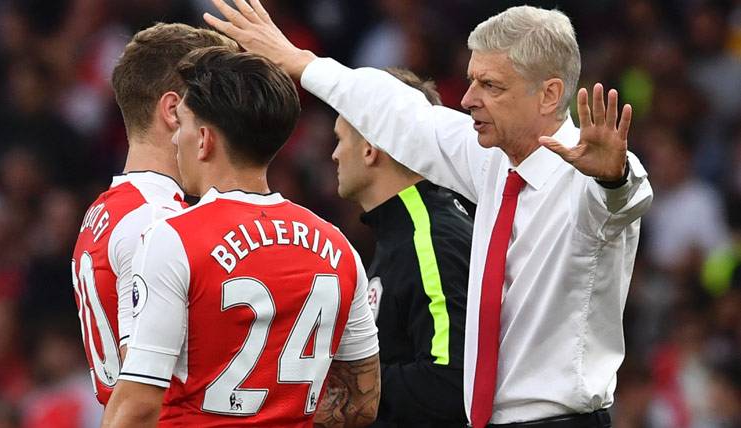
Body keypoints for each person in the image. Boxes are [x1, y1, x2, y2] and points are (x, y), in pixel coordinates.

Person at [204, 1, 654, 427]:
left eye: (491, 85)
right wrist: (302, 62)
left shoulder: (588, 180)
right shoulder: (493, 160)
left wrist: (614, 176)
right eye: (472, 80)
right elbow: (403, 113)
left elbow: (624, 199)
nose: (469, 98)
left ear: (549, 94)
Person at [101, 47, 380, 428]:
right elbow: (361, 402)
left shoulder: (173, 238)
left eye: (181, 124)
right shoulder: (338, 247)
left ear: (204, 139)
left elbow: (138, 405)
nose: (174, 140)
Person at [70, 22, 238, 406]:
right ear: (175, 112)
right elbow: (141, 391)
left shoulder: (108, 210)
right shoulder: (156, 220)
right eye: (219, 106)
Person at [331, 67, 471, 427]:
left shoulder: (431, 236)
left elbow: (450, 382)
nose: (334, 154)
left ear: (370, 148)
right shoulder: (406, 230)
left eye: (341, 139)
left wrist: (344, 389)